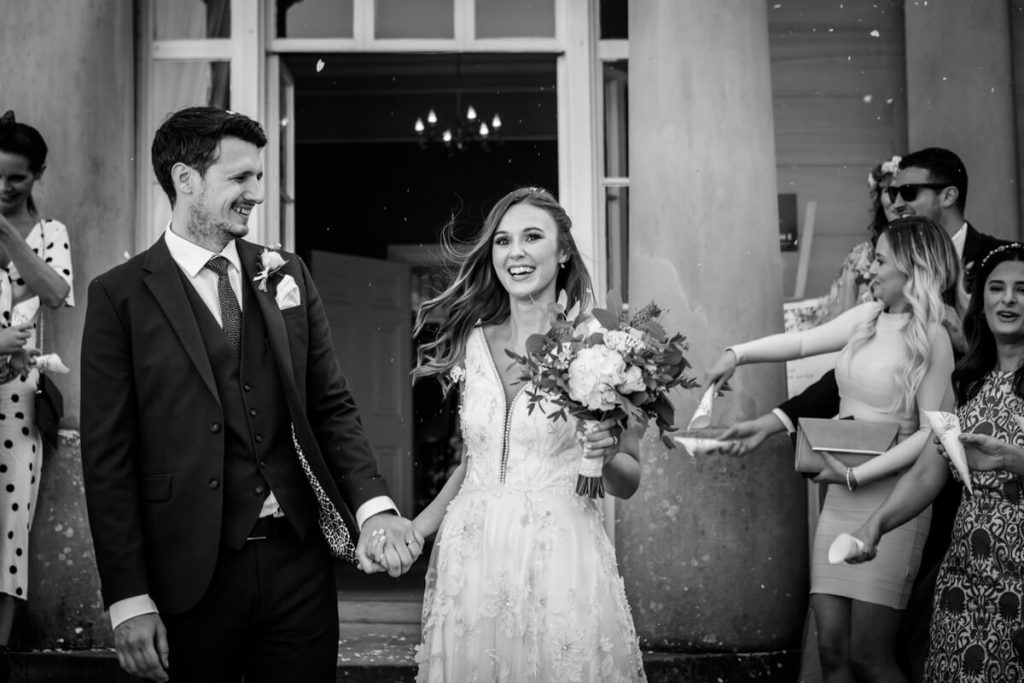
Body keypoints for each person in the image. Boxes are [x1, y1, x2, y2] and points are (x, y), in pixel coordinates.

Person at [80, 106, 422, 683]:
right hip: (188, 574)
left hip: (299, 564)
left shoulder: (284, 274)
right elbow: (108, 456)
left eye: (258, 178)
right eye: (240, 178)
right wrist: (128, 597)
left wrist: (374, 510)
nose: (256, 193)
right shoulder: (120, 296)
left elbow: (331, 404)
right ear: (186, 180)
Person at [716, 147, 1005, 681]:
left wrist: (854, 473)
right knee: (832, 652)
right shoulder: (868, 317)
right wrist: (736, 354)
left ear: (910, 270)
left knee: (872, 657)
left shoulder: (937, 336)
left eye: (878, 261)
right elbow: (801, 343)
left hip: (892, 499)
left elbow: (931, 437)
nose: (867, 269)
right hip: (839, 498)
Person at [404, 187, 647, 681]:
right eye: (502, 241)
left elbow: (627, 478)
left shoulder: (602, 350)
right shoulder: (470, 344)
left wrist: (602, 453)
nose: (514, 252)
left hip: (559, 553)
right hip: (473, 555)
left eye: (532, 237)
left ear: (562, 254)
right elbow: (475, 463)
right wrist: (416, 529)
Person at [847, 242, 1024, 682]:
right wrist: (877, 523)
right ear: (980, 304)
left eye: (1022, 289)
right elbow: (928, 470)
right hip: (966, 573)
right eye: (997, 288)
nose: (1009, 299)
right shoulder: (967, 381)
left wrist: (1013, 459)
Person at [0, 110, 73, 681]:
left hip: (17, 402)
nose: (3, 187)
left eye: (15, 178)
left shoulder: (51, 235)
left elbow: (53, 292)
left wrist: (7, 236)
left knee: (10, 526)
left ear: (37, 175)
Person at [815, 155, 901, 324]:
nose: (897, 201)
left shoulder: (931, 251)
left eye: (904, 191)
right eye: (888, 191)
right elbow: (841, 319)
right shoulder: (859, 258)